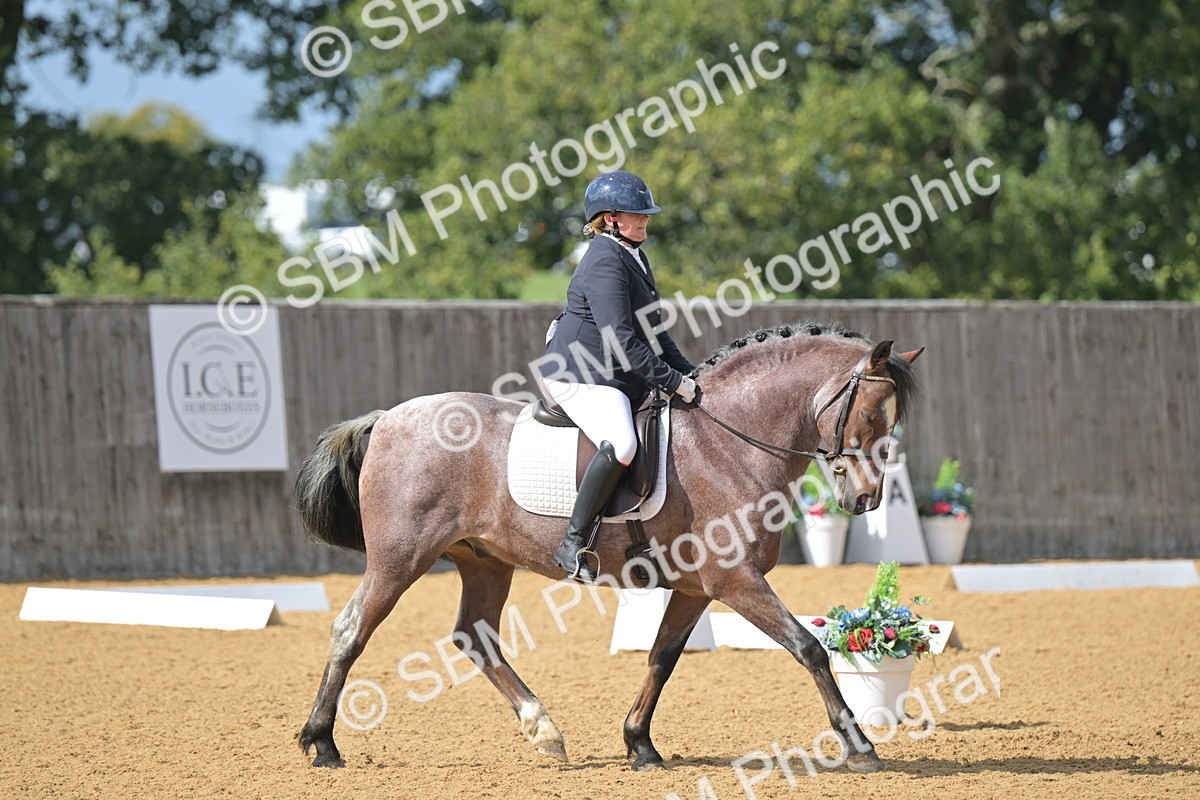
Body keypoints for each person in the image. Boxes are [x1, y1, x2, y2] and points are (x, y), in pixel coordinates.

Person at [538, 170, 698, 582]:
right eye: (636, 214)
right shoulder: (605, 259)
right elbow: (623, 340)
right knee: (624, 442)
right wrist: (673, 382)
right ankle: (573, 544)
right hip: (580, 373)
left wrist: (693, 374)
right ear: (610, 219)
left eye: (646, 214)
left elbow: (654, 332)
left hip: (613, 370)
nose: (645, 220)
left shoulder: (633, 254)